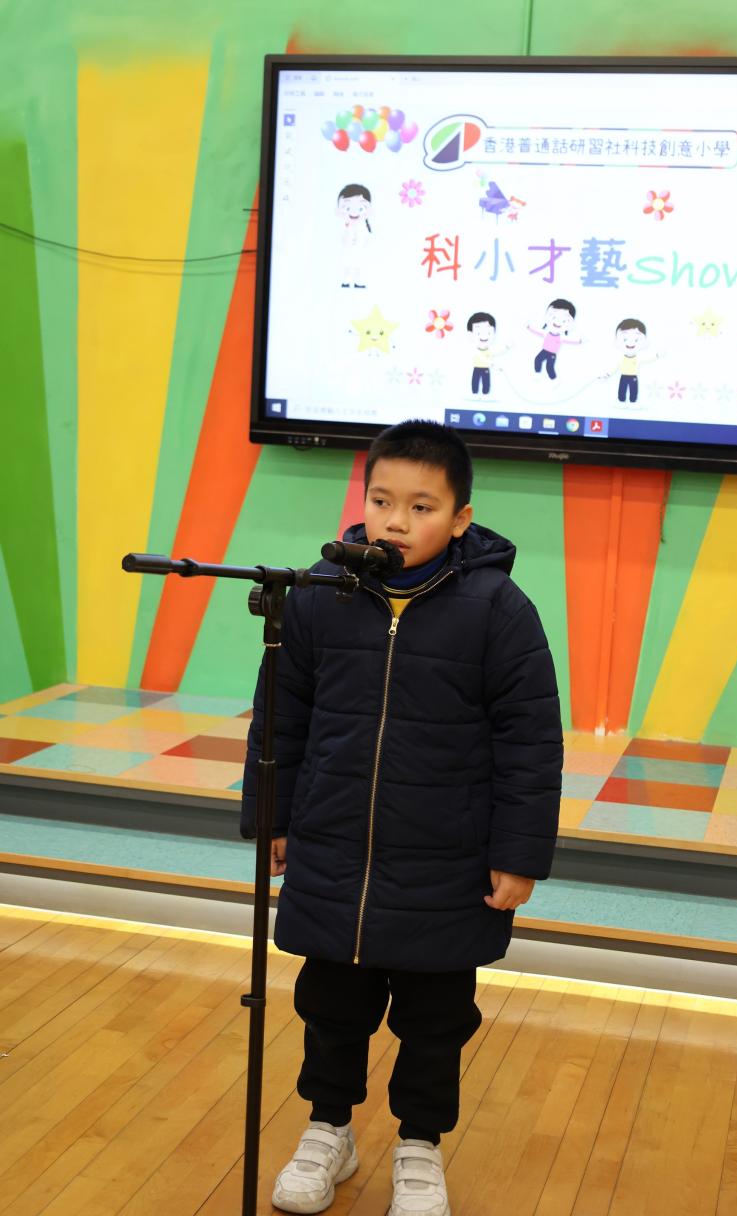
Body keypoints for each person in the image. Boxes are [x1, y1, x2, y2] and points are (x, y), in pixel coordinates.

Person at [241, 419, 563, 1216]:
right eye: (381, 500)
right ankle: (329, 1129)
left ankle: (420, 1145)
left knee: (436, 1017)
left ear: (459, 518)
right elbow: (280, 718)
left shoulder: (497, 609)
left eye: (421, 507)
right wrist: (274, 818)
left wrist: (519, 853)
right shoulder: (318, 596)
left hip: (445, 861)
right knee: (330, 1006)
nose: (394, 521)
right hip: (334, 849)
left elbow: (530, 741)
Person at [527, 298, 580, 380]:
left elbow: (570, 340)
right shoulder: (546, 333)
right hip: (544, 351)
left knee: (549, 366)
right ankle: (537, 374)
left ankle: (553, 378)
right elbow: (538, 332)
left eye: (564, 321)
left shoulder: (561, 337)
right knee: (537, 360)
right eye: (554, 317)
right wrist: (529, 327)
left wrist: (579, 341)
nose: (558, 322)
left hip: (552, 354)